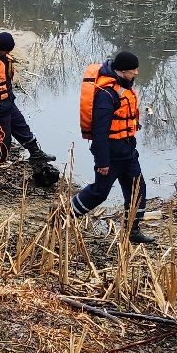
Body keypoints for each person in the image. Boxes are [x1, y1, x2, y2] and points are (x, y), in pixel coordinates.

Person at [72, 51, 154, 244]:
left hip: (128, 153)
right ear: (122, 71)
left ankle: (132, 231)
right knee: (99, 192)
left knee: (137, 189)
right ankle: (64, 216)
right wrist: (102, 161)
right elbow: (99, 132)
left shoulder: (124, 87)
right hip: (110, 154)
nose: (136, 73)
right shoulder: (106, 95)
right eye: (133, 70)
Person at [0, 31, 60, 188]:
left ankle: (36, 154)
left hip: (8, 104)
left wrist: (10, 101)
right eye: (7, 52)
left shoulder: (2, 56)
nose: (8, 54)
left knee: (23, 129)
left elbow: (7, 84)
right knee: (3, 146)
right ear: (1, 49)